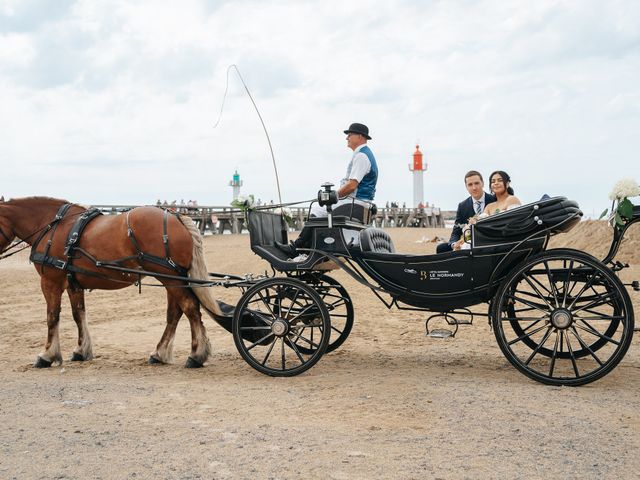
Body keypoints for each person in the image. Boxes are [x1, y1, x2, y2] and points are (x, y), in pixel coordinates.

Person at [276, 122, 378, 256]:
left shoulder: (362, 156)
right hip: (360, 202)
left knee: (318, 209)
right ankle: (306, 247)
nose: (347, 138)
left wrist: (334, 195)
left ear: (360, 136)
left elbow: (352, 185)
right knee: (320, 210)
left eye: (349, 135)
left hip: (356, 202)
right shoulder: (364, 154)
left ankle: (296, 248)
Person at [451, 170, 521, 251]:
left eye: (500, 180)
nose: (496, 183)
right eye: (493, 181)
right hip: (484, 242)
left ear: (507, 183)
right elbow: (475, 225)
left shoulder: (512, 200)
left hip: (502, 242)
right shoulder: (489, 206)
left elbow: (515, 225)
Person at [436, 170, 495, 253]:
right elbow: (456, 232)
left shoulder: (494, 200)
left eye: (476, 183)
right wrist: (454, 244)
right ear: (466, 187)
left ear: (483, 183)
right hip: (468, 243)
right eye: (470, 185)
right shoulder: (462, 206)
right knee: (441, 248)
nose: (474, 187)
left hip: (489, 242)